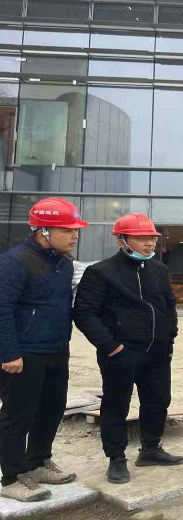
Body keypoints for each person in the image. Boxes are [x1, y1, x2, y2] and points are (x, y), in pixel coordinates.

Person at [74, 213, 182, 484]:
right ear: (121, 240)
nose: (149, 244)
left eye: (152, 238)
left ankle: (150, 449)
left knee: (158, 401)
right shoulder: (101, 272)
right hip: (121, 353)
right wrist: (111, 346)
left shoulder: (159, 270)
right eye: (141, 238)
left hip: (157, 353)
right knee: (116, 405)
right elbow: (84, 313)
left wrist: (169, 338)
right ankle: (116, 458)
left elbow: (169, 306)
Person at [0, 198, 87, 502]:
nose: (75, 235)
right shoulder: (15, 261)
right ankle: (12, 477)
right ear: (44, 231)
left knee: (51, 409)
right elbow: (2, 308)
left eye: (76, 230)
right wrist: (8, 353)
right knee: (18, 415)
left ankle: (38, 462)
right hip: (24, 354)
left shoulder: (64, 263)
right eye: (68, 230)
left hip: (56, 349)